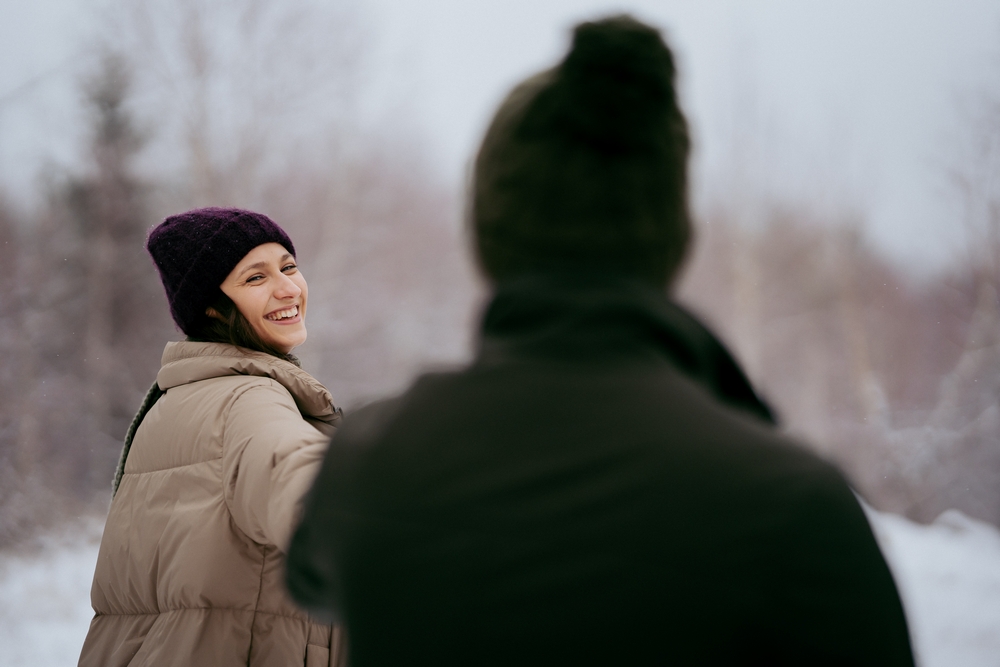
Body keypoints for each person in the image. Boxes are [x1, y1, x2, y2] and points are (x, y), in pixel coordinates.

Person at [285, 16, 915, 667]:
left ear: (489, 234)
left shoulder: (370, 458)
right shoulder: (797, 509)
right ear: (669, 235)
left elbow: (310, 579)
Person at [79, 207, 346, 667]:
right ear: (210, 306)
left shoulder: (177, 402)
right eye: (255, 278)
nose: (288, 288)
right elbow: (311, 497)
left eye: (288, 267)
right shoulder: (249, 400)